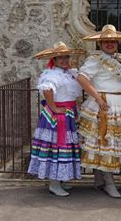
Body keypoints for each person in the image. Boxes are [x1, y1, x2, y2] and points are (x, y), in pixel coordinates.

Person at [77, 24, 121, 198]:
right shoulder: (95, 60)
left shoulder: (118, 60)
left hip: (118, 104)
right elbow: (81, 78)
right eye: (106, 41)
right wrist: (97, 97)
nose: (110, 44)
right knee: (105, 143)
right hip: (105, 104)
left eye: (113, 41)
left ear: (117, 43)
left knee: (108, 143)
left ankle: (99, 180)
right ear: (100, 43)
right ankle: (109, 183)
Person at [27, 41, 86, 197]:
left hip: (67, 114)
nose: (64, 60)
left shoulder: (68, 73)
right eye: (61, 58)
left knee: (65, 146)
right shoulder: (52, 74)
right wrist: (54, 108)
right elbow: (47, 89)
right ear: (54, 60)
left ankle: (61, 179)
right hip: (57, 117)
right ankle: (54, 183)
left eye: (66, 57)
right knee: (57, 147)